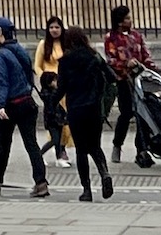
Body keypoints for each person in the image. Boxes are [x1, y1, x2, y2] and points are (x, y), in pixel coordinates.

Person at [0, 16, 48, 198]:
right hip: (27, 102)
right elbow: (28, 75)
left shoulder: (0, 55)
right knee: (32, 144)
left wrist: (0, 105)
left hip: (11, 105)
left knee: (3, 145)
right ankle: (41, 182)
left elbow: (3, 82)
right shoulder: (20, 50)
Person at [56, 27, 112, 203]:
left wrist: (50, 102)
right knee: (95, 145)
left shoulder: (65, 61)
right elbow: (111, 77)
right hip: (94, 107)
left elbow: (61, 88)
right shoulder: (94, 56)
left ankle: (86, 190)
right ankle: (104, 173)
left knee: (81, 150)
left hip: (76, 108)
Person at [103, 5, 151, 167]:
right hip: (123, 80)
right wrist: (125, 63)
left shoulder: (136, 36)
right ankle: (117, 144)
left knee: (142, 114)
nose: (130, 21)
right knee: (126, 113)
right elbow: (110, 59)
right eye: (127, 18)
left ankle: (141, 149)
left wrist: (150, 67)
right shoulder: (111, 38)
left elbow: (145, 54)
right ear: (120, 21)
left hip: (140, 79)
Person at [32, 15, 70, 167]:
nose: (54, 30)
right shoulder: (43, 44)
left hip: (64, 86)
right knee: (56, 120)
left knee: (66, 122)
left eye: (57, 27)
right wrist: (46, 81)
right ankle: (59, 151)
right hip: (51, 86)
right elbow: (37, 66)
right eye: (51, 27)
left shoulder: (66, 44)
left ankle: (62, 148)